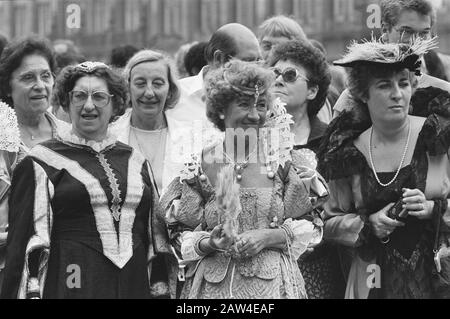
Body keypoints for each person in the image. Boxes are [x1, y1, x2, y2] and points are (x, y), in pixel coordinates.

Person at [1, 61, 172, 299]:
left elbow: (155, 238)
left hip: (132, 282)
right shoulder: (39, 161)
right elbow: (21, 246)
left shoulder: (136, 160)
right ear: (66, 102)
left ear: (115, 104)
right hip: (71, 278)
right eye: (79, 96)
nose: (88, 105)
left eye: (100, 97)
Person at [160, 60, 328, 299]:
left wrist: (268, 237)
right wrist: (210, 243)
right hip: (211, 289)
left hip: (272, 289)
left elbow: (313, 225)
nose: (254, 114)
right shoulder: (201, 161)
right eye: (244, 104)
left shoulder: (282, 159)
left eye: (261, 105)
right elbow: (178, 233)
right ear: (221, 109)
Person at [318, 38, 450, 299]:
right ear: (363, 93)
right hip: (374, 282)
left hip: (439, 277)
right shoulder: (346, 153)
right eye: (384, 85)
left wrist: (435, 209)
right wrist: (368, 224)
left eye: (403, 83)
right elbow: (327, 223)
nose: (397, 94)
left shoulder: (439, 137)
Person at [267, 40, 345, 299]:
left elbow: (339, 207)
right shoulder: (251, 140)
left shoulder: (331, 141)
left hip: (318, 267)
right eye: (274, 74)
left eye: (289, 76)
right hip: (265, 268)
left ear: (312, 91)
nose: (278, 81)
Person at [0, 37, 69, 292]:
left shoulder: (70, 135)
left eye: (46, 76)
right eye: (28, 78)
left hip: (65, 267)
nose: (40, 86)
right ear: (8, 87)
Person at [110, 49, 221, 195]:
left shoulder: (195, 138)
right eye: (140, 83)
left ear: (170, 89)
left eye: (157, 83)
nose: (149, 93)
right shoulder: (108, 135)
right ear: (128, 88)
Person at [333, 0, 450, 118]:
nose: (416, 41)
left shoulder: (444, 93)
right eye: (407, 32)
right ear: (385, 30)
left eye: (424, 33)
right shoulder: (354, 98)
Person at [173, 23, 261, 126]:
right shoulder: (174, 96)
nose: (255, 69)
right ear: (219, 58)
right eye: (248, 61)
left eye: (258, 61)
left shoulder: (260, 100)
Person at [257, 16, 339, 125]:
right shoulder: (252, 91)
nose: (272, 53)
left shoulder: (324, 98)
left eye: (290, 75)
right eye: (267, 46)